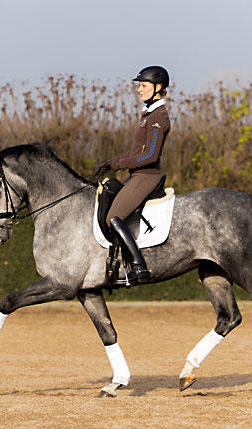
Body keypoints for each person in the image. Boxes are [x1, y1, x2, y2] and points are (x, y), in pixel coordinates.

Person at [94, 65, 171, 285]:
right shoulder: (148, 115)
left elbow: (149, 156)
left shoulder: (158, 117)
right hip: (136, 176)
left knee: (112, 218)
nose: (139, 89)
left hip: (146, 177)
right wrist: (111, 163)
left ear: (158, 88)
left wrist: (118, 163)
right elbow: (136, 153)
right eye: (139, 86)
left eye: (144, 86)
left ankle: (139, 267)